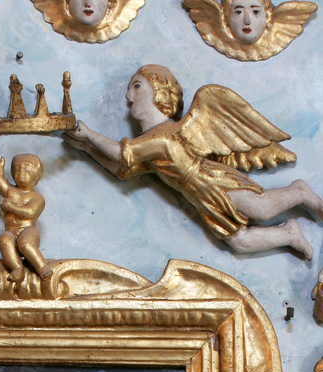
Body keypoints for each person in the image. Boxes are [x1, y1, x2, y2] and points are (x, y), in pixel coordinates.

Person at [64, 64, 323, 257]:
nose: (127, 94)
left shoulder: (163, 135)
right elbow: (123, 168)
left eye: (137, 86)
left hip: (212, 181)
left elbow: (123, 153)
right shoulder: (150, 144)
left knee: (261, 209)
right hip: (199, 196)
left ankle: (299, 192)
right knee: (240, 242)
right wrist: (87, 149)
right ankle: (288, 233)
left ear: (159, 92)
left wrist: (89, 135)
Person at [0, 153, 53, 283]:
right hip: (11, 231)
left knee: (26, 243)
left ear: (36, 174)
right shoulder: (10, 191)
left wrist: (11, 207)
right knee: (3, 239)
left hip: (28, 229)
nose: (21, 170)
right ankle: (17, 268)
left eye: (26, 167)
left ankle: (42, 267)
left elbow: (30, 212)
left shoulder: (37, 198)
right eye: (17, 168)